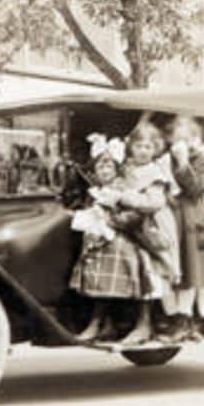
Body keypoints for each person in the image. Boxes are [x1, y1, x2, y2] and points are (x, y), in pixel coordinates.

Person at [69, 135, 141, 341]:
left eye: (109, 166)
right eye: (100, 167)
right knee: (91, 258)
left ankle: (97, 321)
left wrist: (111, 221)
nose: (104, 170)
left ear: (117, 169)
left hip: (117, 235)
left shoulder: (121, 189)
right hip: (96, 236)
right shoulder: (94, 190)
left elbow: (132, 215)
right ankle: (105, 322)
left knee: (112, 255)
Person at [117, 120, 182, 345]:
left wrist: (127, 198)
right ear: (131, 147)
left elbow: (154, 202)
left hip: (154, 226)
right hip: (133, 223)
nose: (143, 151)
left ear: (155, 149)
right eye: (139, 146)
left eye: (148, 147)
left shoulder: (155, 172)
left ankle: (149, 322)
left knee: (151, 265)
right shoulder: (127, 169)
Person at [164, 115, 204, 340]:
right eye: (176, 137)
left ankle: (188, 320)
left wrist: (182, 163)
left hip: (194, 220)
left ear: (194, 140)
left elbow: (195, 189)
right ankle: (197, 319)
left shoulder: (200, 161)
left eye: (186, 137)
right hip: (173, 217)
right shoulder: (165, 160)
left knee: (194, 271)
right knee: (184, 271)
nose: (180, 142)